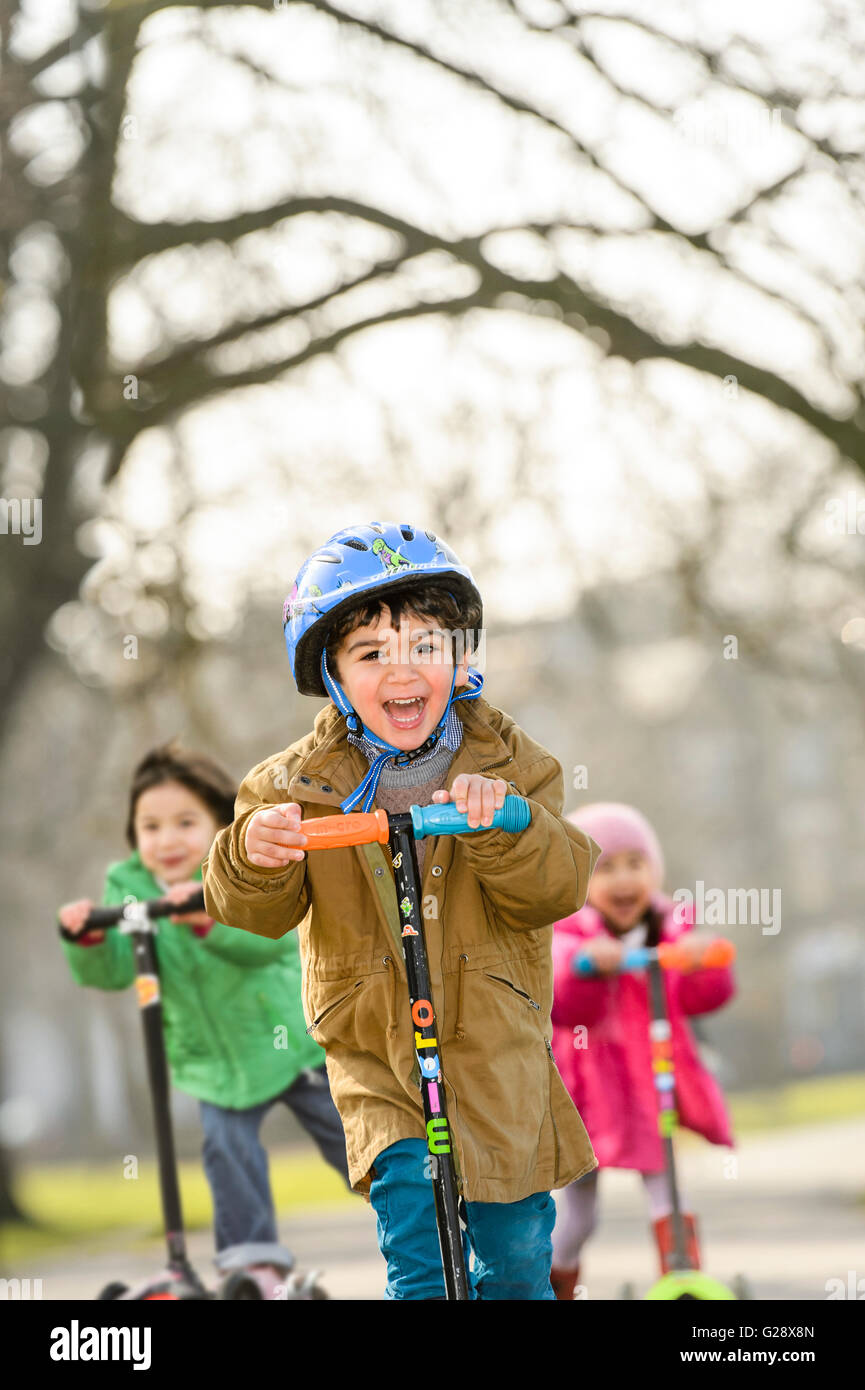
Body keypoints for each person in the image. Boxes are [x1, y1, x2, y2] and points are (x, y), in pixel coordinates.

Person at [203, 521, 601, 1300]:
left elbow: (558, 885)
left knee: (517, 1260)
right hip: (379, 1056)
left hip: (495, 1051)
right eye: (372, 653)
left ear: (458, 657)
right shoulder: (294, 786)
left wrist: (507, 825)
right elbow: (251, 910)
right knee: (417, 1260)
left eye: (425, 645)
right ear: (331, 672)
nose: (403, 669)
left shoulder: (511, 763)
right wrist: (253, 851)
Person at [58, 741, 350, 1296]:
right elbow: (116, 970)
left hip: (287, 1040)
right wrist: (90, 939)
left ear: (218, 820)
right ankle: (256, 1265)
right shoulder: (130, 888)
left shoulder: (237, 864)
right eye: (150, 827)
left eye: (184, 823)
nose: (166, 841)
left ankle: (419, 1214)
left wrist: (207, 922)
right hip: (212, 1059)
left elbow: (273, 942)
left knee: (350, 1132)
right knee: (225, 1149)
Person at [549, 802, 736, 1300]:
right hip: (587, 1097)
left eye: (636, 864)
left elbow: (704, 997)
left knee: (670, 1193)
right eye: (605, 868)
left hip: (654, 1089)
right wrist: (588, 964)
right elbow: (564, 1003)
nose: (624, 879)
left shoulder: (671, 928)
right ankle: (552, 1282)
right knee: (579, 1213)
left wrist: (702, 962)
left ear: (654, 870)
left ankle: (682, 1282)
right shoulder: (566, 933)